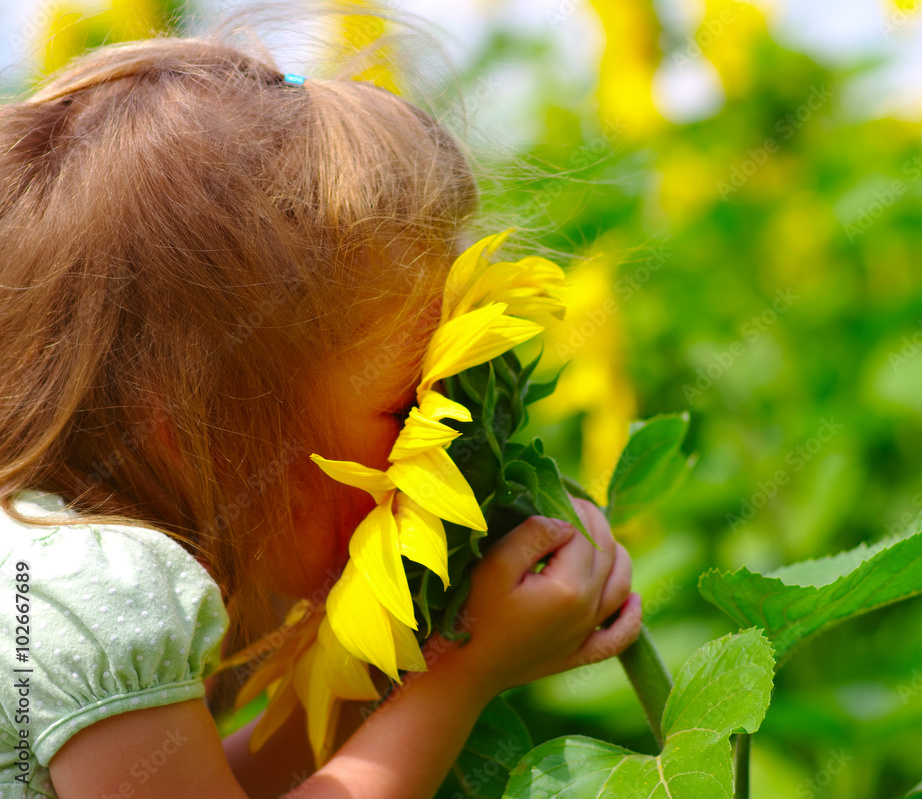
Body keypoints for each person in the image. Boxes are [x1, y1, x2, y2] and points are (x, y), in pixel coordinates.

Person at [0, 31, 641, 799]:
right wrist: (460, 674)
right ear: (206, 421)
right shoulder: (99, 591)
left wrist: (417, 656)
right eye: (406, 406)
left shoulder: (44, 560)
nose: (432, 448)